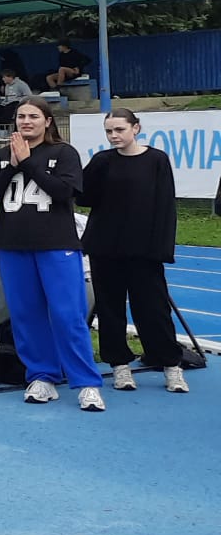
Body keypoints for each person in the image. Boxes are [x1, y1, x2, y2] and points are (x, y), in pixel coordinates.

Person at [0, 100, 102, 409]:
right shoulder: (2, 156)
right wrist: (13, 166)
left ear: (47, 121)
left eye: (33, 116)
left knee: (67, 315)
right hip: (13, 246)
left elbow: (64, 192)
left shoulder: (63, 153)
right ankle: (42, 375)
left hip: (56, 244)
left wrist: (28, 163)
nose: (26, 121)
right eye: (21, 116)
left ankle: (86, 382)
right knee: (26, 315)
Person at [82, 109, 187, 393]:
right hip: (105, 248)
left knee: (154, 309)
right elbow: (83, 196)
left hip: (144, 251)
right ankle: (119, 366)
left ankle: (171, 365)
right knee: (110, 310)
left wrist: (161, 248)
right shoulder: (102, 161)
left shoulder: (156, 160)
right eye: (109, 131)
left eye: (119, 129)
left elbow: (165, 205)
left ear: (136, 128)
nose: (114, 136)